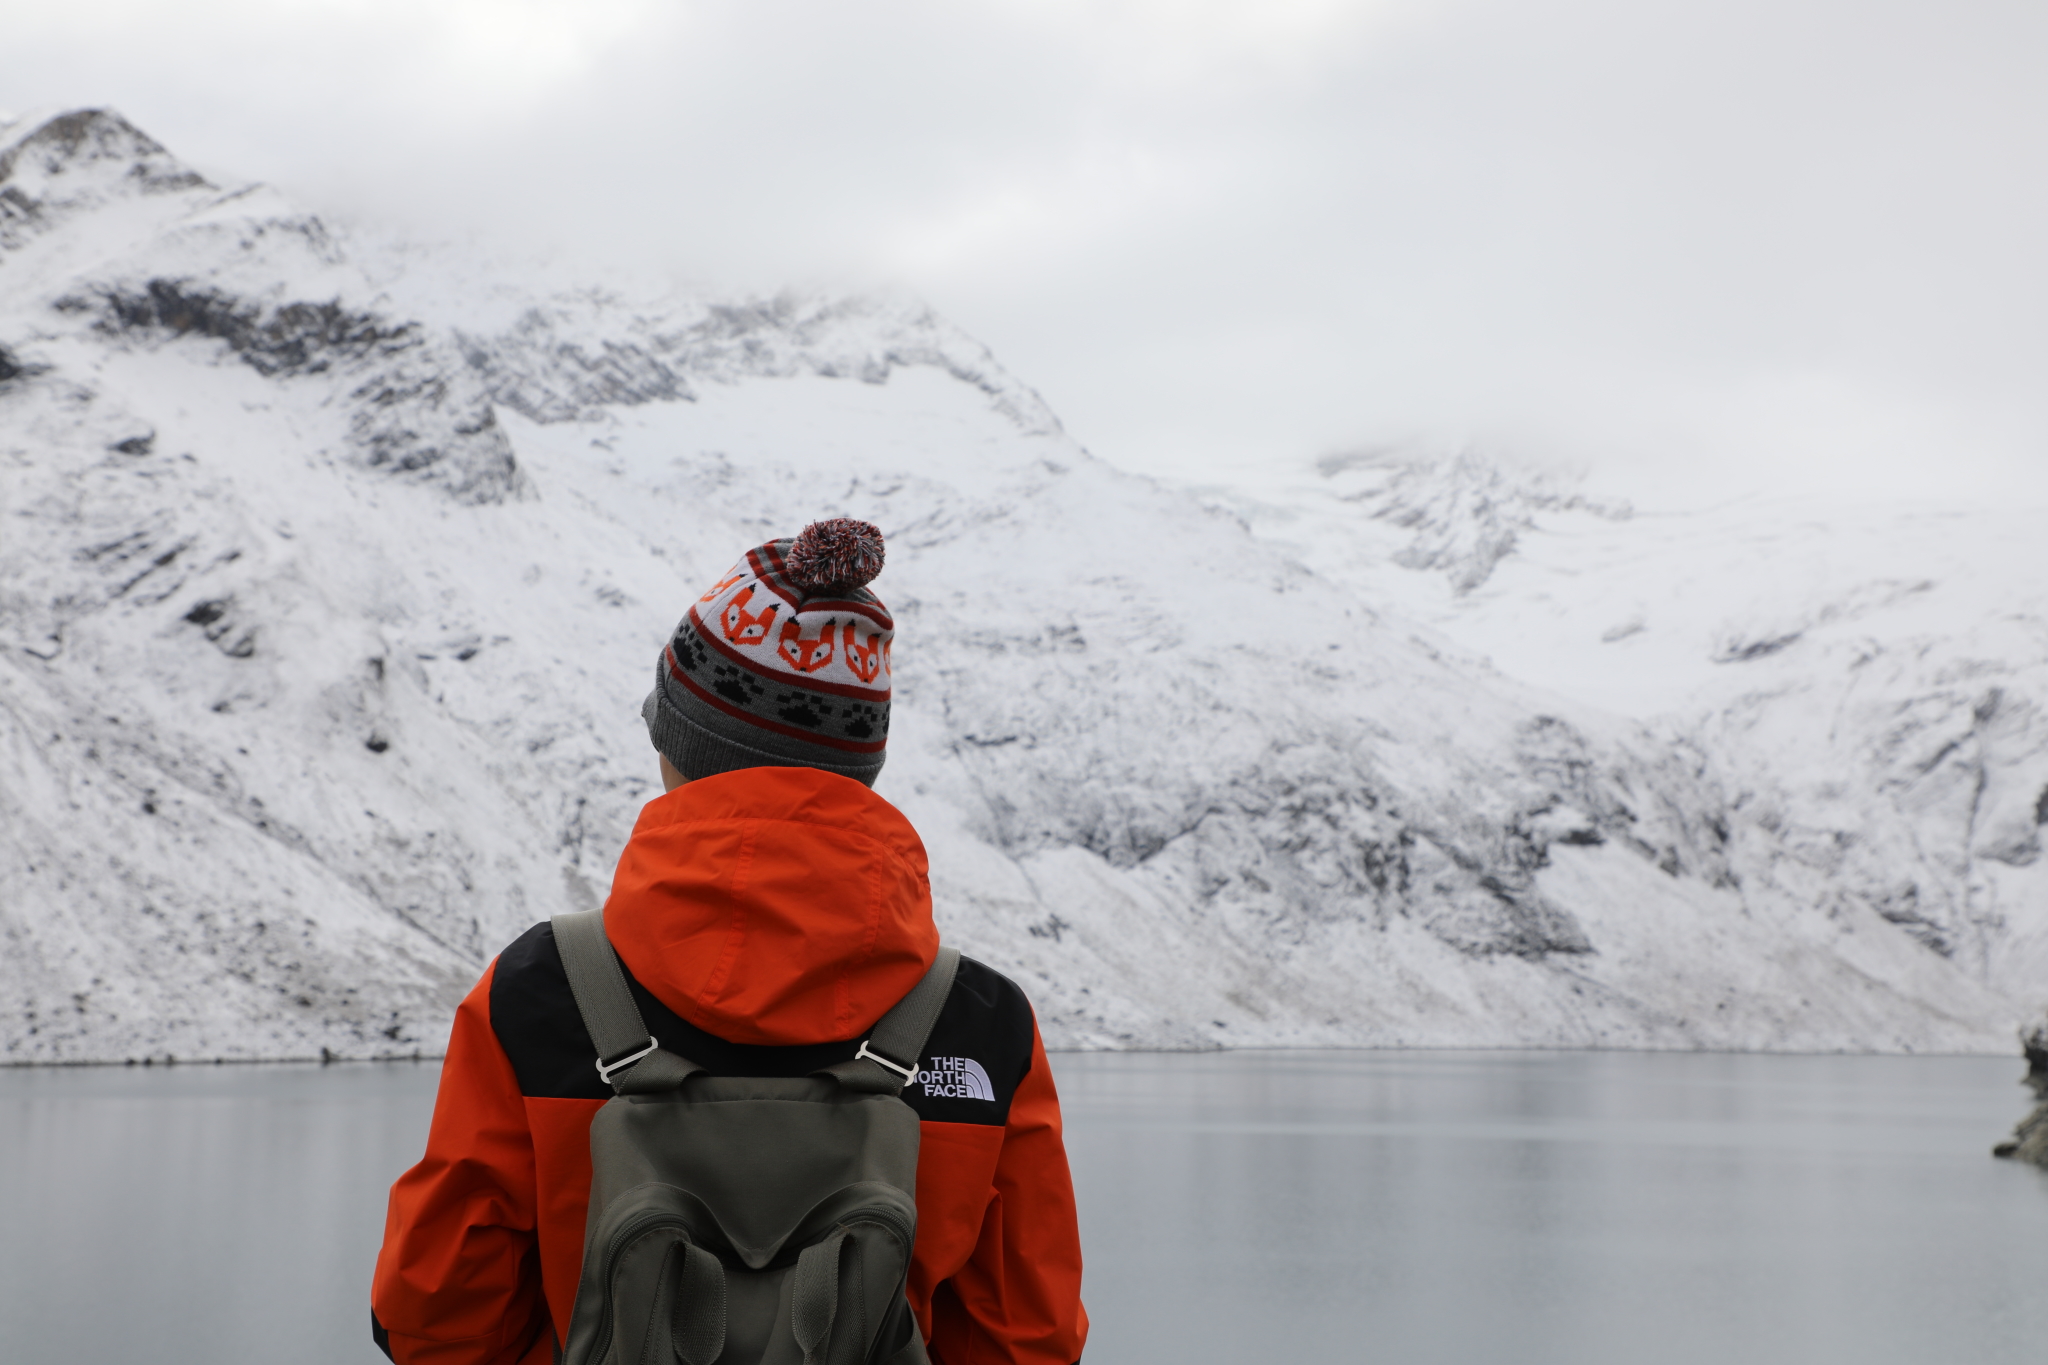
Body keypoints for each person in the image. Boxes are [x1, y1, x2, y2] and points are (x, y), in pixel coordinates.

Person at [370, 518, 1089, 1365]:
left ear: (680, 747)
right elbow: (1029, 1338)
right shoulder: (982, 1025)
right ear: (864, 764)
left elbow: (435, 1310)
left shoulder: (539, 991)